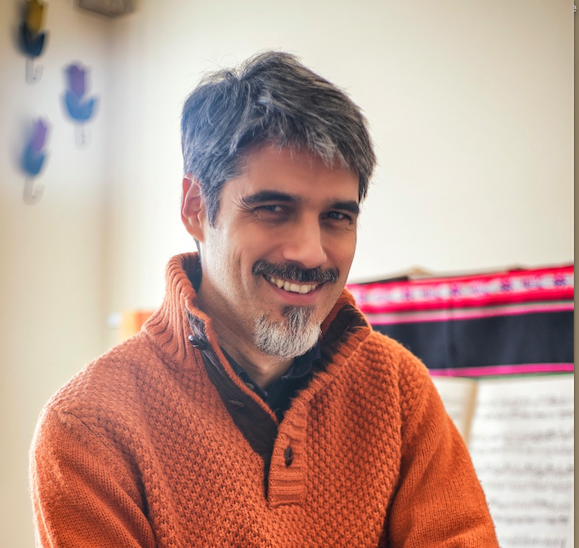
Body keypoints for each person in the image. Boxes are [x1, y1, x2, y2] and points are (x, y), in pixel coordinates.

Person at [30, 51, 499, 547]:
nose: (310, 253)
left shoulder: (400, 392)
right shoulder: (88, 427)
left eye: (337, 217)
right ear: (195, 208)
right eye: (274, 209)